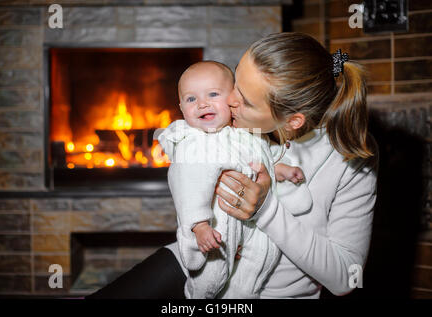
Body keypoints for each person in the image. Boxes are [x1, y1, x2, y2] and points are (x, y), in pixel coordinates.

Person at [86, 32, 378, 299]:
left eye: (247, 102)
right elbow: (184, 149)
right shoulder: (230, 126)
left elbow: (345, 277)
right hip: (201, 265)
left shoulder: (350, 159)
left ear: (293, 121)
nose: (229, 99)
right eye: (236, 82)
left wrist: (265, 210)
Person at [156, 61, 304, 299]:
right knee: (210, 277)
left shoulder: (243, 133)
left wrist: (279, 168)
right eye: (191, 99)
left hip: (252, 226)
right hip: (216, 227)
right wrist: (199, 225)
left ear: (233, 99)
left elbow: (258, 160)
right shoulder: (194, 144)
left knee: (255, 269)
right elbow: (187, 185)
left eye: (213, 94)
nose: (202, 103)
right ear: (181, 107)